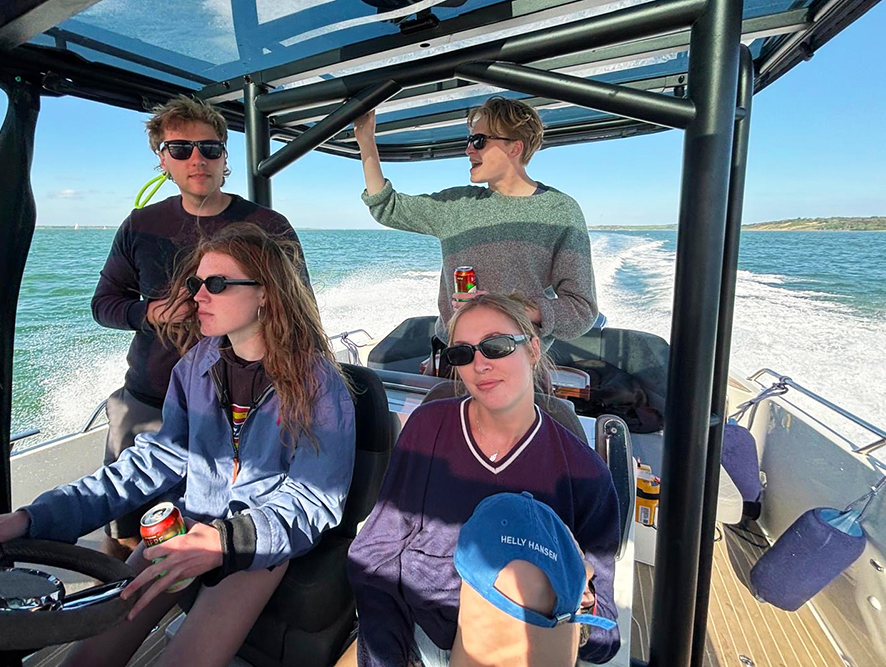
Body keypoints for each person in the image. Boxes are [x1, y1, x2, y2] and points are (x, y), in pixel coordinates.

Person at [0, 224, 355, 667]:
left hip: (259, 543)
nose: (198, 296)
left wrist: (224, 541)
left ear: (265, 294)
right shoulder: (196, 366)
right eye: (196, 283)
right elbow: (152, 462)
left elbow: (312, 500)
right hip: (188, 524)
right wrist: (31, 518)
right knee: (86, 657)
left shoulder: (318, 385)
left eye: (217, 284)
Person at [345, 293, 619, 666]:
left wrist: (570, 598)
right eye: (462, 353)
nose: (480, 365)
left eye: (497, 346)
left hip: (514, 643)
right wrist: (387, 655)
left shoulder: (585, 473)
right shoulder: (427, 430)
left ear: (533, 349)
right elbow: (375, 552)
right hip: (412, 629)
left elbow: (604, 635)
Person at [92, 95, 309, 558]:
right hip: (150, 401)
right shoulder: (141, 226)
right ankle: (125, 610)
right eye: (181, 149)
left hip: (240, 410)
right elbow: (104, 304)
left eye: (210, 149)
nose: (197, 159)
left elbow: (299, 312)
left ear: (225, 158)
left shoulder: (267, 225)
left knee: (212, 535)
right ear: (162, 159)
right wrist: (147, 313)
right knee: (129, 533)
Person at [354, 97, 597, 374]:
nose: (469, 150)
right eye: (469, 141)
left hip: (519, 364)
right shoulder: (457, 206)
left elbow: (581, 311)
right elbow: (387, 207)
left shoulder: (559, 211)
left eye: (479, 141)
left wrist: (518, 310)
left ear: (514, 147)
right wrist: (365, 140)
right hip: (455, 358)